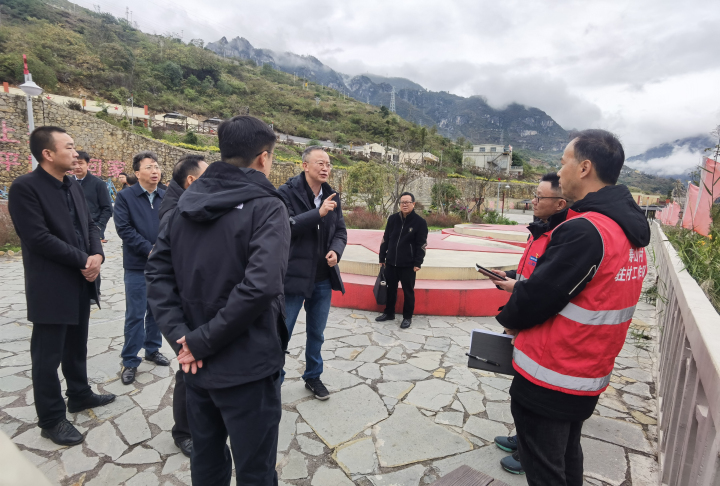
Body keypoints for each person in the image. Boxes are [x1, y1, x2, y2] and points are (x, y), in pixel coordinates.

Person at [490, 130, 650, 485]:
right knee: (566, 458)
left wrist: (510, 318)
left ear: (584, 168)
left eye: (563, 163)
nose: (559, 171)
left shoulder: (586, 230)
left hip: (551, 372)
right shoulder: (628, 232)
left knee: (546, 470)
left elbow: (536, 299)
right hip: (586, 371)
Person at [146, 116, 290, 485]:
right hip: (248, 366)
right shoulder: (267, 207)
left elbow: (158, 275)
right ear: (263, 158)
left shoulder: (184, 204)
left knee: (206, 463)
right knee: (255, 470)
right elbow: (261, 286)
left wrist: (182, 338)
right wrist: (197, 342)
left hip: (196, 367)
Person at [8, 127, 115, 446]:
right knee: (47, 355)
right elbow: (38, 238)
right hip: (51, 285)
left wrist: (97, 255)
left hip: (81, 279)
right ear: (48, 153)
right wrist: (84, 260)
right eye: (68, 147)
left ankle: (79, 394)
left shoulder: (72, 185)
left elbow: (90, 224)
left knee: (76, 345)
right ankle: (51, 418)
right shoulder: (25, 188)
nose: (75, 152)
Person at [489, 172, 569, 474]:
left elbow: (544, 289)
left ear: (560, 203)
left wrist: (514, 309)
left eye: (539, 197)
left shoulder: (562, 238)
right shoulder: (539, 232)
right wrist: (509, 276)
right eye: (533, 196)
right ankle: (521, 439)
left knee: (532, 397)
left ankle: (528, 454)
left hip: (537, 325)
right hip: (524, 316)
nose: (532, 201)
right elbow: (530, 274)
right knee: (520, 391)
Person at [277, 145, 347, 400]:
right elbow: (286, 226)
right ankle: (274, 379)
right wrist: (318, 213)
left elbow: (340, 231)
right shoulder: (285, 193)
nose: (325, 168)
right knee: (282, 332)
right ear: (305, 165)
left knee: (316, 332)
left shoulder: (332, 195)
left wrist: (336, 250)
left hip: (323, 278)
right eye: (320, 163)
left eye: (328, 164)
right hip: (294, 277)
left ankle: (313, 376)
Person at [155, 154, 209, 458]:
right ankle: (183, 432)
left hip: (190, 305)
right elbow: (162, 275)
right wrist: (179, 330)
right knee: (188, 371)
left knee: (194, 370)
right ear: (191, 181)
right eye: (208, 177)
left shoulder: (188, 204)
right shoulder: (176, 214)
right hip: (183, 311)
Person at [114, 151, 170, 385]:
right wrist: (149, 249)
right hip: (137, 265)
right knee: (135, 314)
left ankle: (152, 349)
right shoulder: (125, 196)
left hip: (162, 265)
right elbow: (124, 228)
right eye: (149, 167)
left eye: (156, 166)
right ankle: (130, 359)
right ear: (137, 173)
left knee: (157, 311)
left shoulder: (166, 196)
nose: (155, 171)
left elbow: (174, 225)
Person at [376, 192, 428, 329]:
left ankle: (407, 317)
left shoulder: (420, 222)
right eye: (402, 202)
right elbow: (385, 239)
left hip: (408, 265)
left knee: (408, 292)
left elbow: (421, 245)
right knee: (390, 289)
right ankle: (389, 313)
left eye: (407, 202)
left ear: (413, 204)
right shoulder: (393, 219)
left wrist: (418, 262)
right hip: (391, 263)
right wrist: (382, 257)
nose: (404, 205)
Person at [74, 151, 113, 243]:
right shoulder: (67, 182)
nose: (77, 166)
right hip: (72, 231)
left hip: (92, 230)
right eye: (74, 163)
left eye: (81, 163)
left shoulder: (98, 184)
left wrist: (98, 227)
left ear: (88, 164)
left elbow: (107, 208)